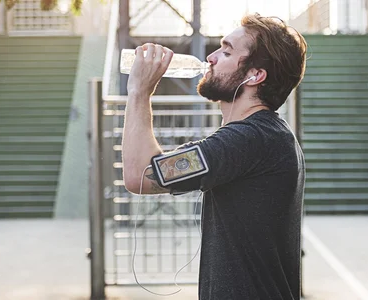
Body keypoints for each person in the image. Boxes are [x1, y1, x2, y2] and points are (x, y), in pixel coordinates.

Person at [121, 14, 307, 300]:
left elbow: (141, 176)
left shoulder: (250, 139)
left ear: (254, 75)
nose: (210, 57)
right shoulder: (265, 135)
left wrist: (138, 91)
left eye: (227, 51)